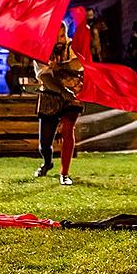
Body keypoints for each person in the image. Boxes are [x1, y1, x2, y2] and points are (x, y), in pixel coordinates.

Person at [34, 23, 84, 185]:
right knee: (44, 144)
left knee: (68, 129)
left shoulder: (72, 46)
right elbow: (46, 77)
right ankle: (47, 163)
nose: (59, 40)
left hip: (72, 93)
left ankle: (65, 173)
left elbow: (79, 64)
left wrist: (61, 67)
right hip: (50, 95)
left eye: (62, 36)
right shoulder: (40, 49)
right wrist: (63, 91)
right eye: (55, 37)